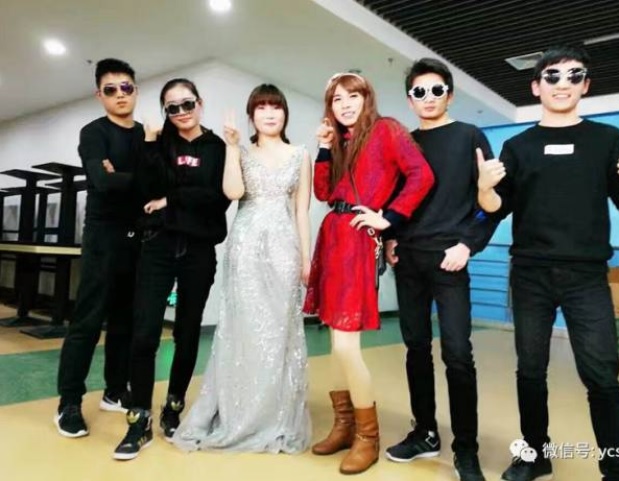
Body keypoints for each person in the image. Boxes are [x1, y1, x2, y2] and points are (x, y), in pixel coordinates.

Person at [477, 45, 619, 481]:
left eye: (574, 76)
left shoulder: (606, 139)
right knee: (530, 371)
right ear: (536, 87)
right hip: (530, 275)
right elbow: (497, 207)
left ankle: (618, 468)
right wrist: (483, 189)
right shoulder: (517, 146)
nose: (562, 84)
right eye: (552, 76)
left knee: (602, 374)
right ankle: (535, 456)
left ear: (585, 86)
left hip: (586, 276)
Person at [304, 72, 434, 475]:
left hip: (359, 240)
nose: (345, 104)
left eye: (352, 96)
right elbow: (323, 193)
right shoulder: (340, 141)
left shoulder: (386, 130)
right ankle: (344, 425)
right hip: (332, 236)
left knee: (346, 345)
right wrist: (324, 148)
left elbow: (422, 175)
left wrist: (389, 217)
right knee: (333, 341)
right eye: (336, 99)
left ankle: (367, 435)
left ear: (367, 98)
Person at [172, 83, 312, 453]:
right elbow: (233, 193)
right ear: (252, 116)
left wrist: (306, 258)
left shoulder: (301, 154)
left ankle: (274, 415)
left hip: (284, 246)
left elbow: (301, 211)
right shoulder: (240, 151)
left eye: (275, 107)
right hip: (246, 246)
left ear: (284, 113)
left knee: (279, 331)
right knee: (244, 328)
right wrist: (233, 148)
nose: (269, 113)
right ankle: (239, 411)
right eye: (261, 107)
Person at [383, 58, 498, 481]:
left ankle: (466, 449)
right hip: (408, 260)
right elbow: (395, 198)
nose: (428, 98)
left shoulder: (470, 136)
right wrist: (390, 238)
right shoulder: (404, 142)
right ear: (409, 99)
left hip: (450, 259)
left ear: (449, 94)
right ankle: (425, 433)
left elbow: (493, 202)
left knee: (457, 354)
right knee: (415, 349)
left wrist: (467, 245)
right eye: (419, 92)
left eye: (436, 90)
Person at [113, 78, 230, 460]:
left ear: (200, 102)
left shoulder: (216, 147)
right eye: (172, 107)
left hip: (199, 249)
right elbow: (145, 189)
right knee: (144, 332)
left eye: (187, 103)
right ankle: (140, 418)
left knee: (187, 331)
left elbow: (217, 198)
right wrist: (149, 144)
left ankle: (174, 405)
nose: (181, 112)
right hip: (158, 245)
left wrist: (170, 199)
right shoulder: (159, 142)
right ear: (165, 111)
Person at [55, 58, 143, 438]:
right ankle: (68, 402)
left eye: (126, 87)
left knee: (125, 320)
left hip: (138, 236)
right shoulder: (93, 133)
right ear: (100, 95)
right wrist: (137, 180)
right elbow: (101, 182)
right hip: (102, 237)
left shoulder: (146, 135)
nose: (120, 95)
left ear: (135, 90)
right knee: (88, 320)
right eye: (111, 89)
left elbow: (158, 183)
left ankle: (114, 390)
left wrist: (121, 176)